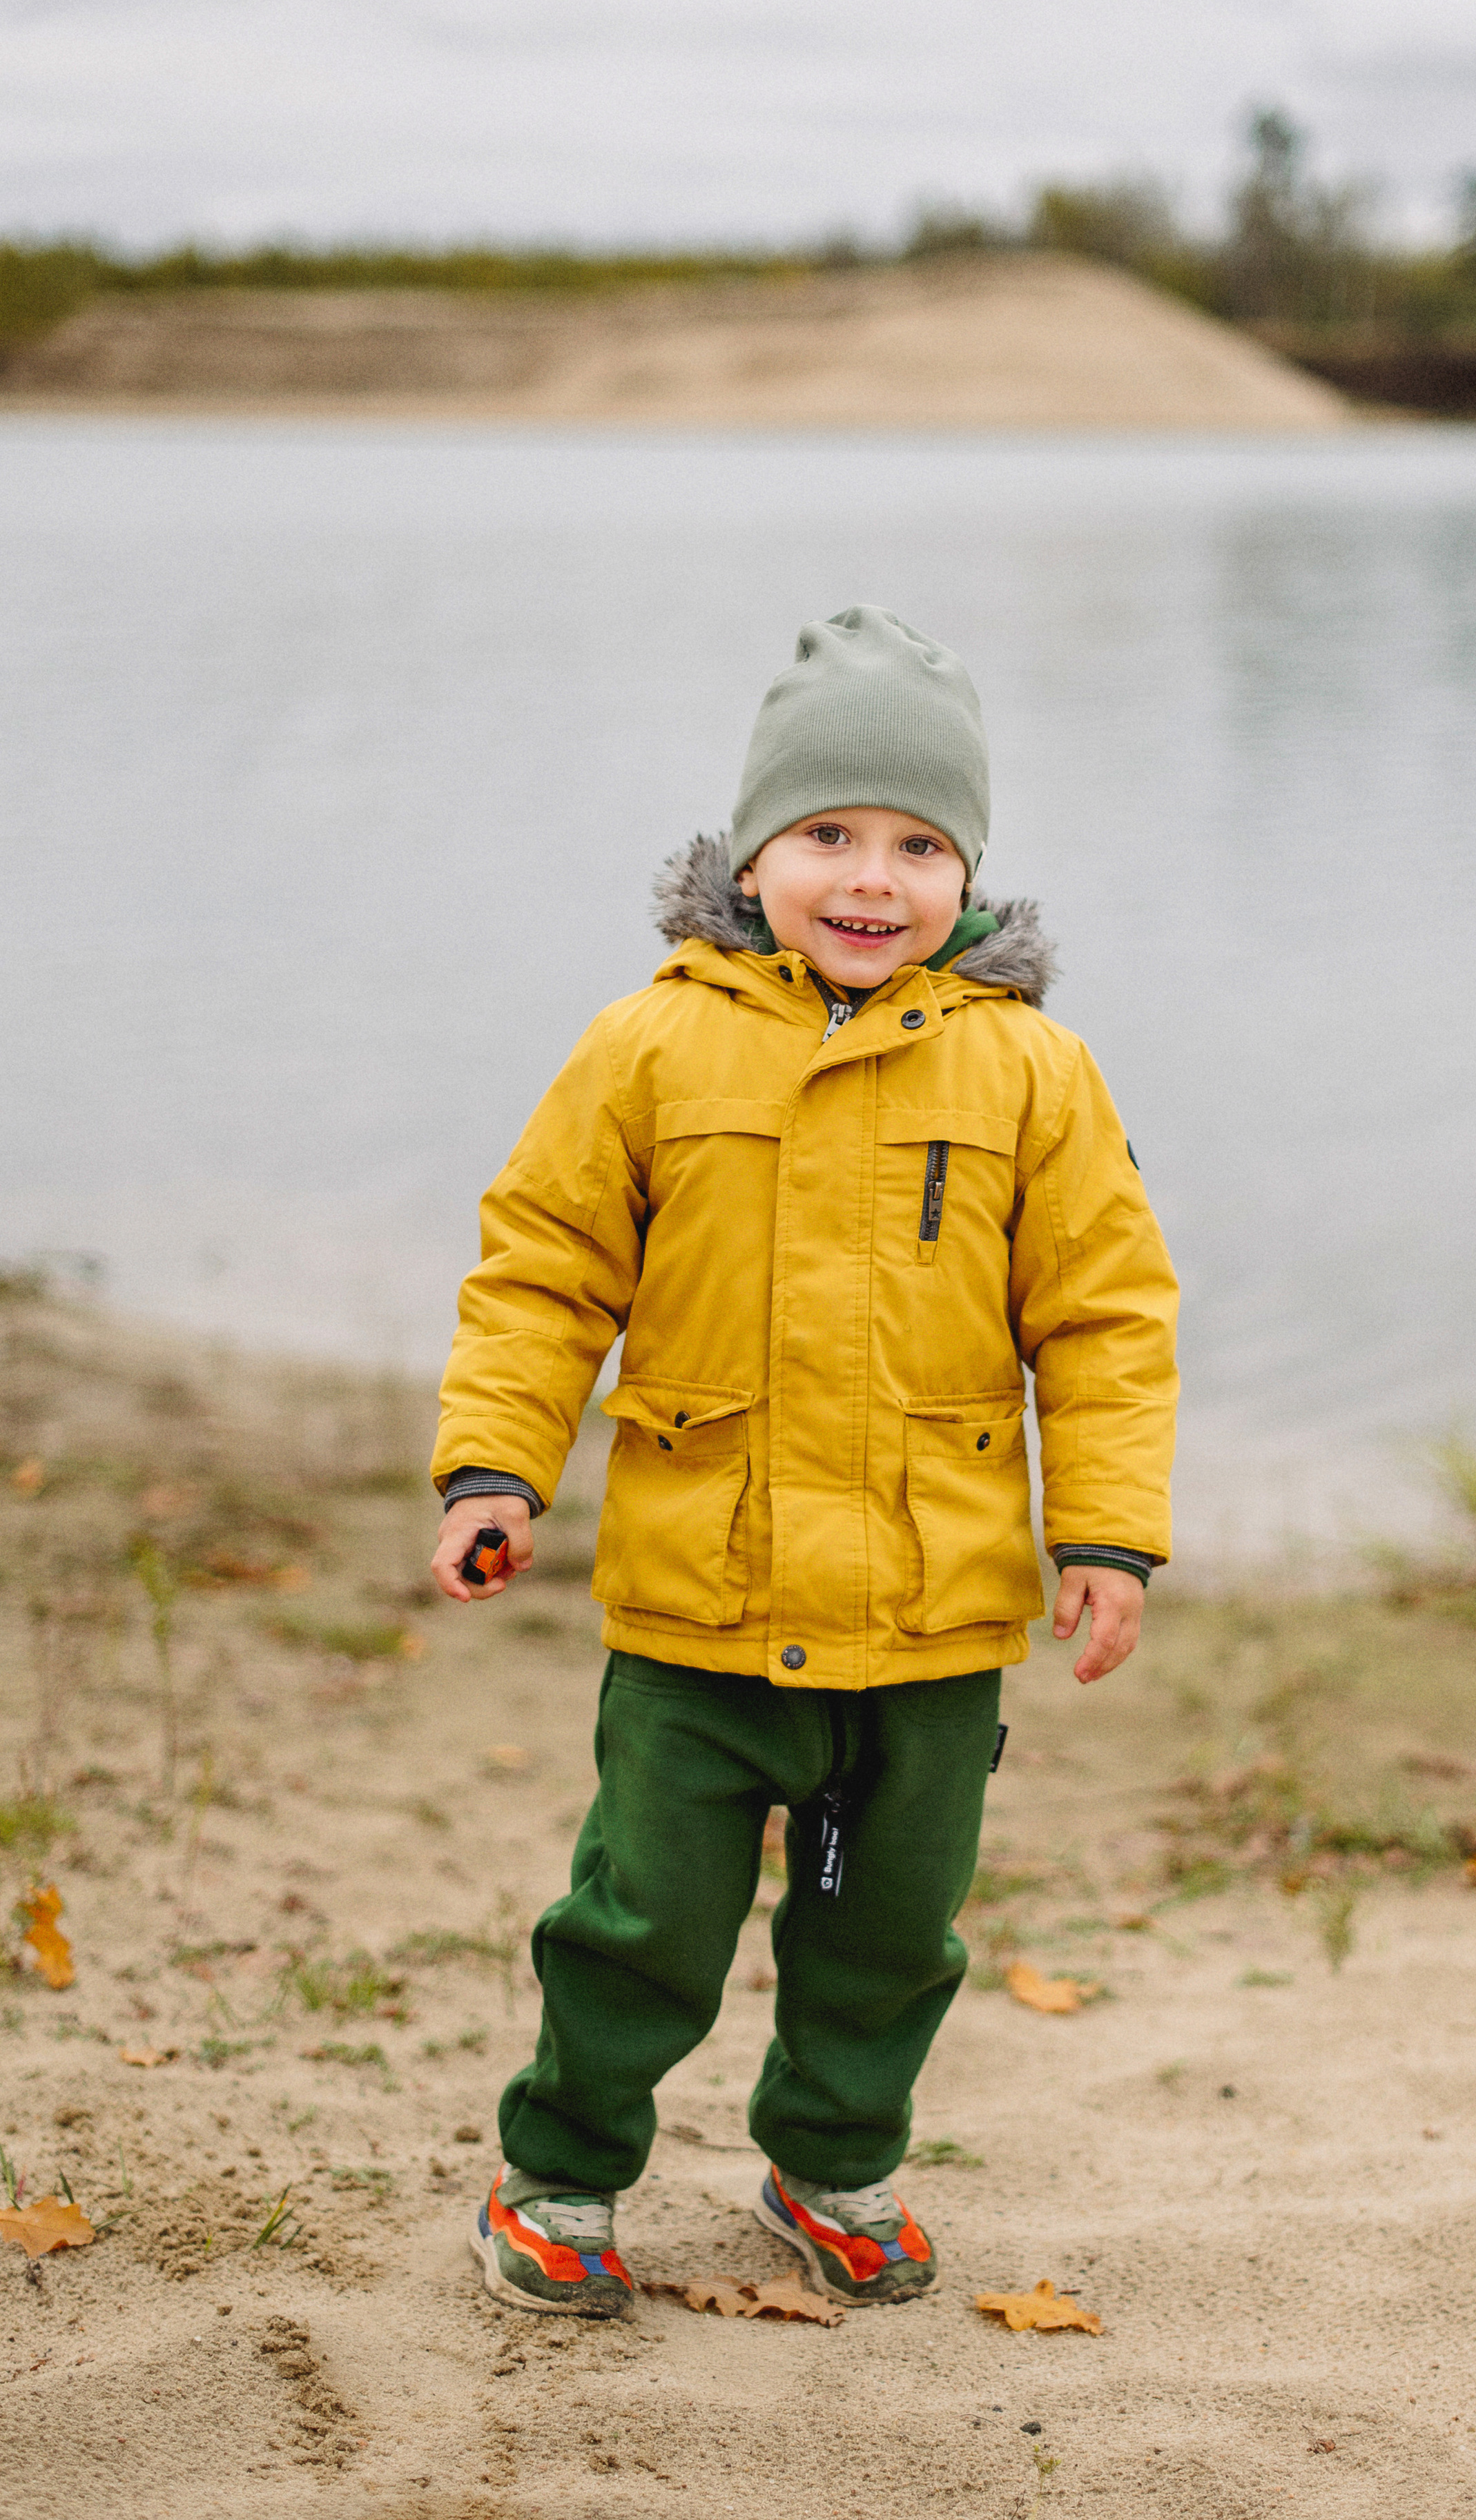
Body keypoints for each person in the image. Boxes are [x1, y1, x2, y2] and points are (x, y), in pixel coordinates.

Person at [430, 603, 1179, 2317]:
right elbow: (543, 1273)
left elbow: (1104, 1322)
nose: (871, 877)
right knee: (640, 1920)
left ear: (967, 874)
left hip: (929, 1623)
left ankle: (829, 2163)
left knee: (884, 1936)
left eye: (919, 844)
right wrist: (493, 1471)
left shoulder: (1029, 1070)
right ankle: (558, 2173)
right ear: (749, 851)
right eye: (827, 834)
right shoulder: (647, 1045)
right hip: (700, 1605)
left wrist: (1109, 1539)